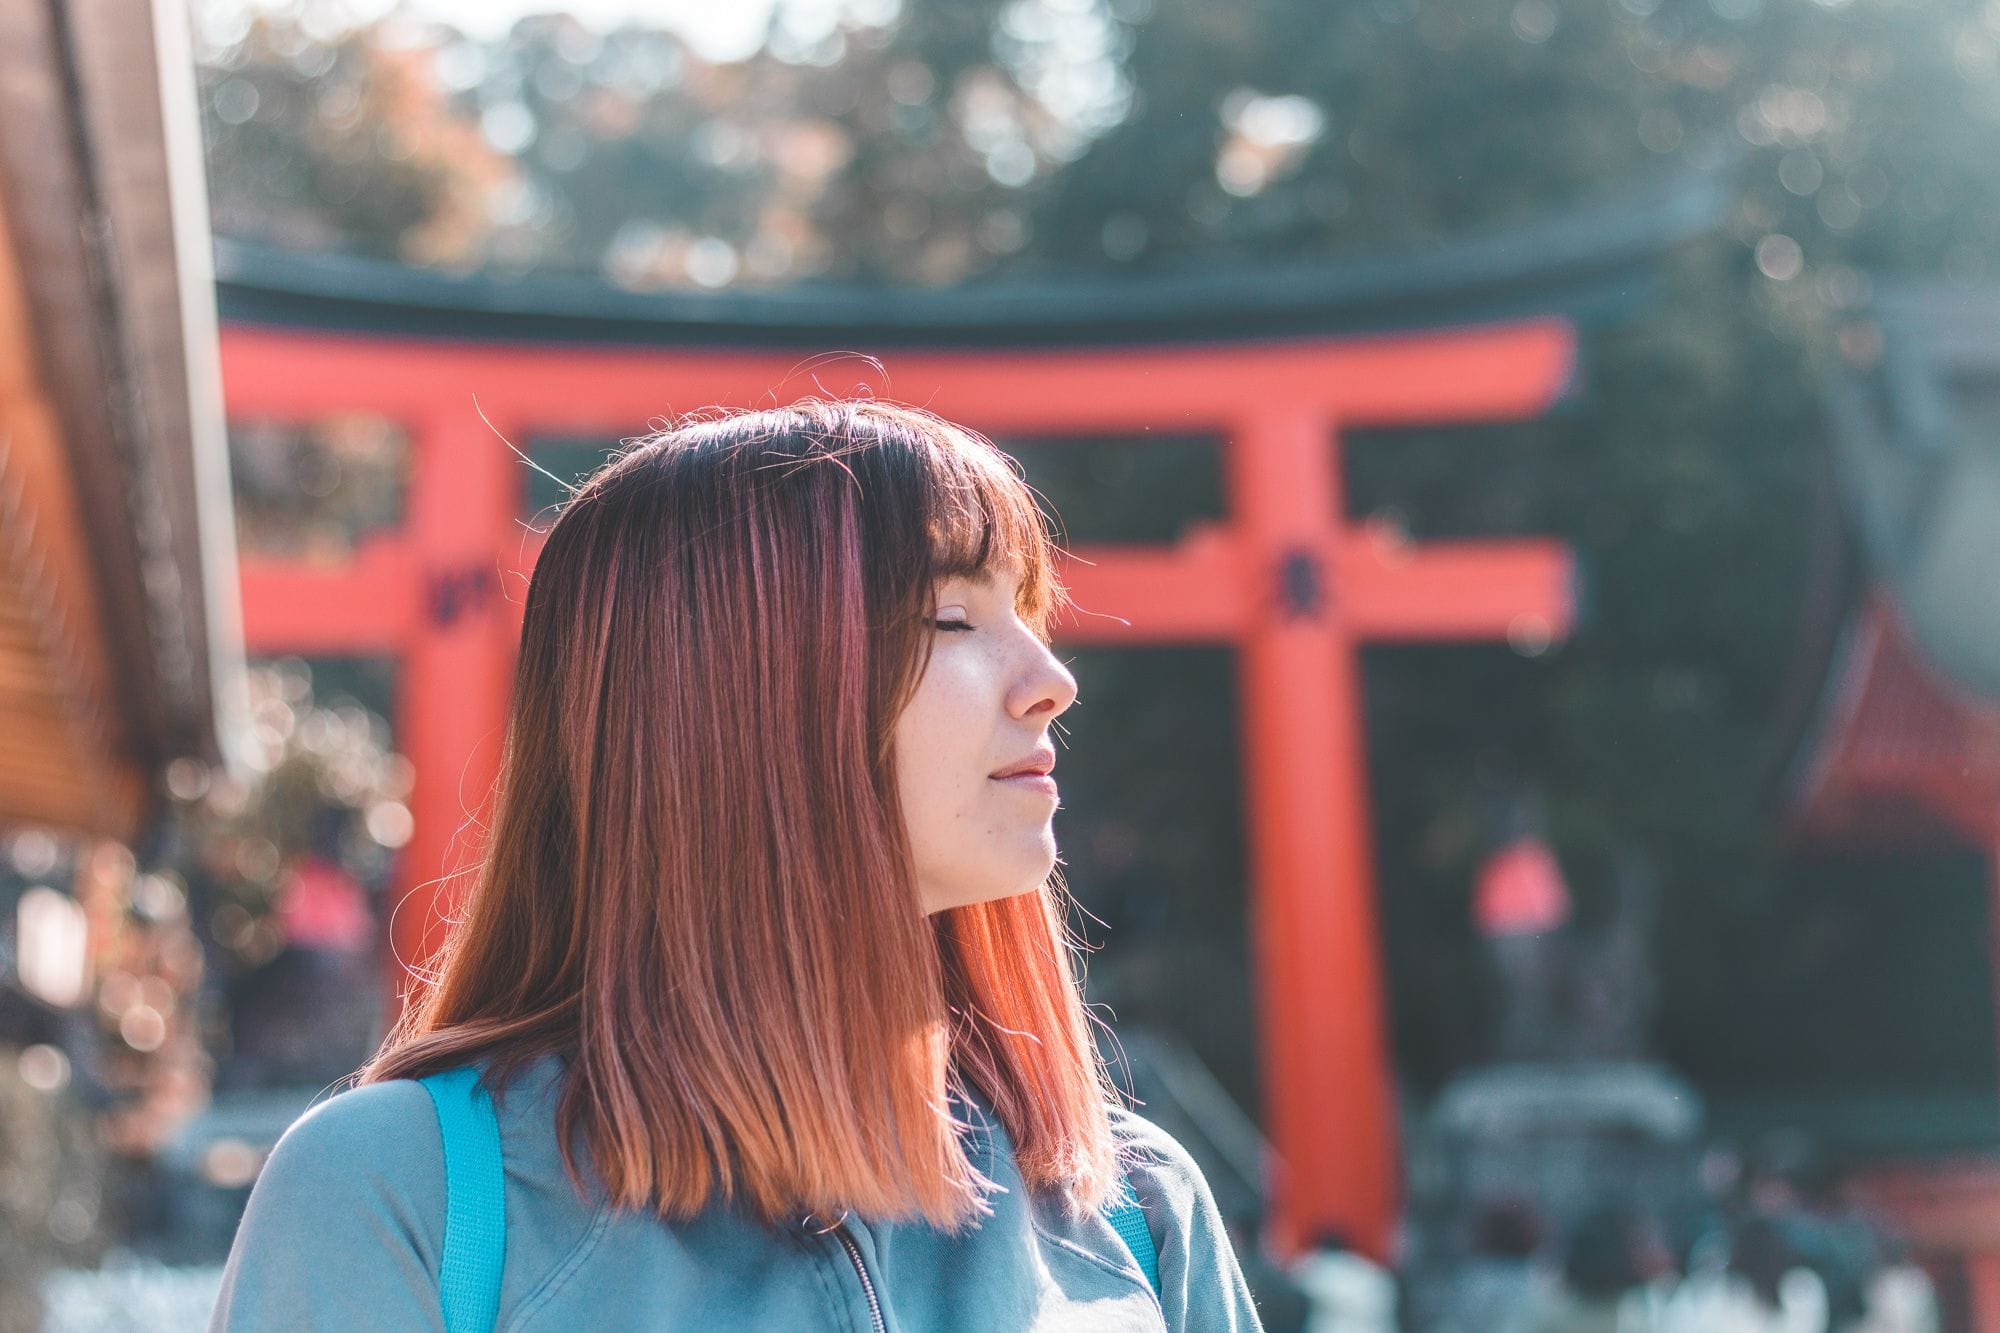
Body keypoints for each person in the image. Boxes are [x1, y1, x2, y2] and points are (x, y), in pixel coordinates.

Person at [208, 401, 1263, 1331]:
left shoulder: (1135, 1205)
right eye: (953, 616)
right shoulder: (407, 1193)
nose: (1050, 679)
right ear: (721, 701)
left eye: (1028, 615)